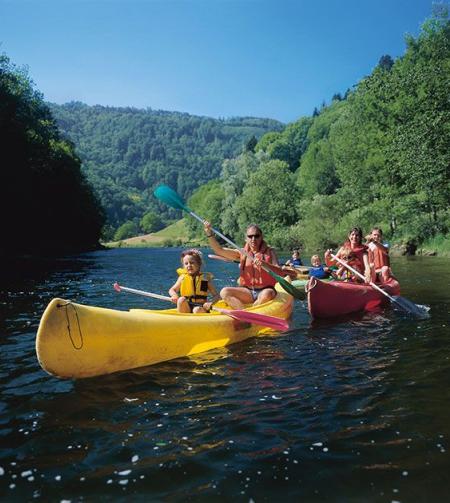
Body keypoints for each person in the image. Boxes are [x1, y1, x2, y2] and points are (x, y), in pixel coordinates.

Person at [203, 221, 285, 310]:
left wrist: (265, 264)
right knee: (224, 292)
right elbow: (219, 250)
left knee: (266, 294)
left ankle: (251, 313)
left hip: (265, 290)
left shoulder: (270, 252)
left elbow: (280, 272)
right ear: (246, 238)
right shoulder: (242, 253)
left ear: (261, 237)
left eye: (256, 236)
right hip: (247, 292)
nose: (253, 239)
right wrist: (209, 233)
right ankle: (245, 314)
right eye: (250, 236)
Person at [169, 249, 220, 313]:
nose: (189, 265)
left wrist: (210, 303)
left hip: (200, 307)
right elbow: (172, 290)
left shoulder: (204, 279)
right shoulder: (182, 278)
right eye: (186, 263)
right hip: (186, 306)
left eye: (192, 263)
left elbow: (216, 296)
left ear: (199, 264)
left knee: (197, 310)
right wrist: (174, 295)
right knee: (181, 300)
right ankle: (183, 321)